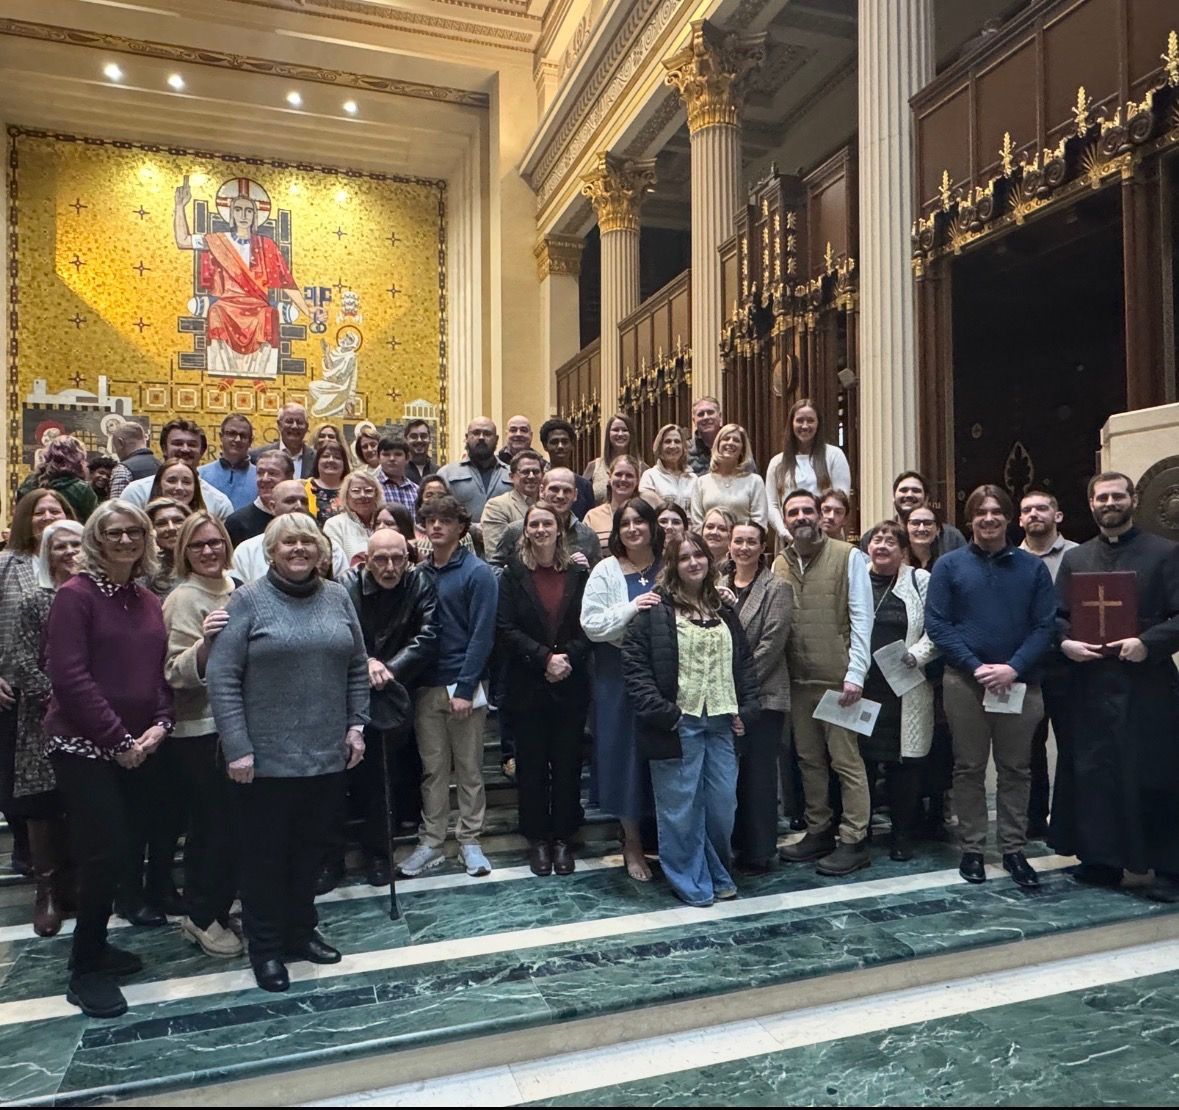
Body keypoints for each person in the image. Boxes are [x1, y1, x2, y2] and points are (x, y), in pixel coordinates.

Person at [208, 513, 368, 993]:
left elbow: (357, 665)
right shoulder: (247, 600)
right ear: (270, 552)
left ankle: (301, 931)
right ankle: (266, 947)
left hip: (326, 755)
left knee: (310, 853)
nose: (298, 549)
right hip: (264, 762)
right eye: (288, 542)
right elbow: (222, 677)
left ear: (320, 550)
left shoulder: (338, 596)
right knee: (264, 860)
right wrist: (237, 747)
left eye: (307, 541)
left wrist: (356, 725)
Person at [44, 500, 173, 1018]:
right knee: (102, 853)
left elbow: (158, 673)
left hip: (138, 746)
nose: (125, 541)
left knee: (124, 852)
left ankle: (97, 946)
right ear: (96, 540)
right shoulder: (75, 597)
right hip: (85, 746)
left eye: (134, 532)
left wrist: (161, 723)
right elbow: (69, 678)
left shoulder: (147, 599)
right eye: (113, 533)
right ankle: (84, 970)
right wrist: (118, 740)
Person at [1051, 473, 1179, 901]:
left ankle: (1169, 867)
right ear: (1091, 504)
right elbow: (1057, 616)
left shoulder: (1165, 553)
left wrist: (1148, 644)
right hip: (1091, 685)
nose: (1110, 503)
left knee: (1154, 773)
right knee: (1096, 773)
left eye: (1117, 496)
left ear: (1133, 500)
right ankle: (1101, 860)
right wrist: (1066, 643)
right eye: (1101, 497)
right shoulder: (1077, 559)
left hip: (1147, 685)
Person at [925, 484, 1055, 889]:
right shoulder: (948, 566)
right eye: (980, 512)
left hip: (1019, 684)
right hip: (966, 683)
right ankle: (973, 849)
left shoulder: (1032, 569)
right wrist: (976, 666)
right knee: (968, 768)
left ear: (1009, 518)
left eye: (996, 511)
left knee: (1016, 769)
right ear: (971, 519)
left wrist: (1013, 667)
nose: (988, 518)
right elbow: (937, 624)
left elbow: (1045, 626)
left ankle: (1014, 849)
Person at [623, 533, 760, 906]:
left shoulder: (723, 609)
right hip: (678, 724)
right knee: (680, 810)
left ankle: (717, 871)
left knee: (722, 807)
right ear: (673, 565)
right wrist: (663, 712)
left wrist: (747, 710)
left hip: (722, 722)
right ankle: (689, 879)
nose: (694, 563)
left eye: (698, 555)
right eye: (684, 558)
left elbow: (744, 665)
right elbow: (635, 667)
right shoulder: (655, 610)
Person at [774, 489, 873, 876]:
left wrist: (856, 673)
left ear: (820, 515)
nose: (801, 516)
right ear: (785, 520)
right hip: (799, 681)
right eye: (793, 512)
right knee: (809, 761)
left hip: (838, 681)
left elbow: (862, 617)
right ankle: (819, 830)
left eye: (807, 510)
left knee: (846, 762)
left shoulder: (848, 556)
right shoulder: (780, 563)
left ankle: (854, 839)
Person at [399, 495, 498, 879]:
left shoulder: (478, 572)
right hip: (427, 685)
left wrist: (466, 687)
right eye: (430, 520)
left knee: (470, 769)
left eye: (445, 520)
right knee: (433, 770)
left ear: (460, 527)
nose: (437, 526)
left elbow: (482, 634)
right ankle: (432, 842)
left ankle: (470, 841)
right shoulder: (419, 574)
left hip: (464, 683)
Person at [336, 528, 438, 888]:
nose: (390, 567)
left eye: (398, 559)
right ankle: (330, 859)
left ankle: (379, 855)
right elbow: (337, 634)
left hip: (395, 690)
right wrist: (365, 663)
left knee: (381, 779)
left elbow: (428, 635)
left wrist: (388, 669)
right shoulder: (345, 586)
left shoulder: (419, 583)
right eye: (381, 559)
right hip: (348, 689)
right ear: (366, 560)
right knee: (337, 781)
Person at [162, 512, 242, 958]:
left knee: (232, 826)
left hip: (241, 726)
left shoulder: (238, 587)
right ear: (184, 552)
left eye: (215, 542)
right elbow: (173, 672)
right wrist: (205, 645)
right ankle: (201, 915)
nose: (209, 551)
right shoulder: (183, 598)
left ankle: (220, 903)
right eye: (198, 545)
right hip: (200, 730)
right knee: (211, 827)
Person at [498, 503, 591, 876]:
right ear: (525, 530)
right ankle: (538, 840)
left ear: (559, 529)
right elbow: (505, 628)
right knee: (532, 768)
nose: (540, 529)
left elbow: (590, 625)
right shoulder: (512, 574)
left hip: (571, 682)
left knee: (568, 765)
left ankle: (564, 838)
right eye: (533, 523)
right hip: (528, 685)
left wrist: (565, 659)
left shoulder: (579, 573)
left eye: (547, 523)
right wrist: (544, 659)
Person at [581, 498, 664, 881]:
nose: (633, 529)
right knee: (626, 757)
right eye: (625, 523)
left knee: (665, 757)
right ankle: (631, 842)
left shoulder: (668, 565)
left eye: (640, 521)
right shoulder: (606, 570)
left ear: (652, 526)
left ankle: (665, 838)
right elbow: (591, 625)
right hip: (618, 675)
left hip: (665, 675)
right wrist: (632, 608)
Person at [11, 520, 83, 936]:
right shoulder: (33, 599)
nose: (70, 552)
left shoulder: (94, 595)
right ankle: (48, 890)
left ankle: (75, 882)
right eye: (61, 546)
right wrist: (59, 697)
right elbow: (20, 660)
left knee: (79, 798)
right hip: (43, 716)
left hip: (89, 716)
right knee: (44, 802)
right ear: (47, 553)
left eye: (77, 544)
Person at [175, 179, 322, 378]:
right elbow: (183, 241)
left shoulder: (266, 245)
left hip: (257, 304)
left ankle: (261, 376)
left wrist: (307, 310)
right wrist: (179, 207)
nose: (243, 216)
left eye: (249, 211)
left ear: (255, 216)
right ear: (231, 214)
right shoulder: (219, 240)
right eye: (238, 210)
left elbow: (285, 281)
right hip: (228, 302)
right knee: (216, 312)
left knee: (269, 315)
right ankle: (223, 373)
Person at [0, 489, 74, 880]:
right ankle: (26, 849)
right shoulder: (6, 564)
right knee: (18, 775)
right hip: (13, 686)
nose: (47, 517)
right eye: (39, 511)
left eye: (55, 510)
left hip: (70, 691)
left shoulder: (80, 562)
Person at [859, 520, 939, 861]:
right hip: (863, 687)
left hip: (906, 687)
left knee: (904, 765)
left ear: (903, 550)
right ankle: (858, 831)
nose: (882, 545)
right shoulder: (855, 578)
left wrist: (916, 655)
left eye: (890, 541)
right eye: (876, 540)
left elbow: (937, 629)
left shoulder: (920, 581)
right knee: (860, 762)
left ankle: (902, 834)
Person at [721, 521, 792, 871]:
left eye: (751, 542)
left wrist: (738, 687)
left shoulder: (777, 588)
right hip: (721, 696)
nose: (744, 548)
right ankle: (733, 842)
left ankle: (760, 850)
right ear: (730, 546)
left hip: (763, 696)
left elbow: (771, 644)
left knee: (758, 776)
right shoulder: (716, 583)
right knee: (729, 776)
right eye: (738, 541)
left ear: (762, 547)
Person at [1018, 489, 1077, 838]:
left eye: (1042, 508)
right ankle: (1034, 818)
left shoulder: (1079, 556)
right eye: (1027, 510)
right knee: (1028, 746)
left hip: (1069, 664)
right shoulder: (1010, 559)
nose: (1034, 514)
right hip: (1027, 665)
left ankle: (1069, 820)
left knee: (1071, 742)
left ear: (1058, 515)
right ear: (1019, 520)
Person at [766, 400, 852, 543]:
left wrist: (819, 530)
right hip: (789, 537)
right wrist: (784, 533)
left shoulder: (834, 455)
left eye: (810, 420)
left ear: (818, 424)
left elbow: (840, 499)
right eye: (800, 420)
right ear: (791, 424)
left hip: (826, 537)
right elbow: (771, 504)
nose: (805, 426)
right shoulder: (777, 462)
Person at [233, 480, 347, 581]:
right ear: (272, 507)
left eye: (304, 502)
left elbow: (343, 585)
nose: (298, 506)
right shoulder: (247, 550)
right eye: (290, 501)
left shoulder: (330, 547)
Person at [121, 420, 233, 518]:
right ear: (164, 449)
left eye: (192, 445)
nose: (185, 449)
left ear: (202, 451)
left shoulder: (219, 503)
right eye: (178, 443)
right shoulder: (136, 493)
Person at [492, 468, 602, 568]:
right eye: (554, 489)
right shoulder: (515, 531)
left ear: (575, 495)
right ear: (541, 491)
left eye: (567, 490)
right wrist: (511, 575)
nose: (560, 496)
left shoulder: (588, 536)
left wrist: (585, 572)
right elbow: (494, 568)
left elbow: (598, 575)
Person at [690, 424, 768, 530]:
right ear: (718, 445)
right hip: (710, 539)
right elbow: (697, 523)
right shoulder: (701, 482)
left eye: (736, 440)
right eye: (726, 439)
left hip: (743, 540)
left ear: (743, 449)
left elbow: (759, 522)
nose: (730, 442)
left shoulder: (755, 481)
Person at [438, 418, 512, 522]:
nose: (481, 438)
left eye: (487, 434)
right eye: (476, 433)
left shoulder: (511, 474)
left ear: (496, 439)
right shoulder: (446, 474)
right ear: (466, 438)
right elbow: (438, 513)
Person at [18, 436, 97, 523]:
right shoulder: (82, 489)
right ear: (78, 459)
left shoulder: (29, 483)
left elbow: (19, 516)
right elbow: (91, 525)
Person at [480, 450, 543, 558]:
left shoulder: (550, 504)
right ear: (511, 476)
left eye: (536, 472)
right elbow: (495, 555)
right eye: (525, 472)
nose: (531, 476)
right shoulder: (496, 507)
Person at [225, 449, 294, 547]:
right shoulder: (237, 523)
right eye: (260, 473)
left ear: (289, 477)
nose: (264, 479)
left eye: (272, 473)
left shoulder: (301, 516)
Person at [889, 471, 966, 555]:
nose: (909, 495)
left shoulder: (952, 538)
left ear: (926, 498)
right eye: (903, 490)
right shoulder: (881, 536)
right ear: (893, 497)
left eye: (916, 490)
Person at [584, 455, 643, 557]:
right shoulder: (592, 516)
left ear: (637, 481)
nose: (623, 479)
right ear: (609, 477)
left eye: (629, 475)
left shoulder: (646, 514)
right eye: (618, 474)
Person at [198, 415, 257, 512]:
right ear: (221, 437)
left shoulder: (260, 477)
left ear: (250, 441)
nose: (237, 439)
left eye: (243, 436)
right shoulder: (200, 474)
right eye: (232, 434)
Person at [538, 418, 594, 519]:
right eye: (554, 442)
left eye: (565, 441)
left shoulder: (584, 486)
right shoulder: (538, 482)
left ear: (572, 444)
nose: (560, 446)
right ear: (545, 446)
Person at [584, 414, 646, 504]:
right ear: (608, 434)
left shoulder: (643, 468)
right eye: (616, 430)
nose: (620, 434)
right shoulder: (594, 466)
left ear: (631, 434)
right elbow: (582, 498)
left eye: (625, 430)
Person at [324, 470, 382, 565]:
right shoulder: (334, 525)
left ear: (376, 494)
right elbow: (336, 564)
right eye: (356, 491)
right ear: (346, 496)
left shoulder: (385, 522)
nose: (363, 495)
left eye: (368, 490)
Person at [414, 475, 475, 562]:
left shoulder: (461, 535)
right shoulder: (412, 534)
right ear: (421, 500)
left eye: (440, 495)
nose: (435, 498)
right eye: (429, 495)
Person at [143, 497, 194, 599]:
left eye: (178, 521)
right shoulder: (144, 570)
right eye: (162, 523)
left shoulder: (204, 561)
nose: (171, 528)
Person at [639, 424, 696, 512]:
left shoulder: (693, 478)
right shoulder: (650, 476)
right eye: (667, 441)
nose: (673, 446)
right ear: (660, 447)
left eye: (677, 441)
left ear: (683, 447)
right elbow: (646, 511)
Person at [249, 403, 315, 479]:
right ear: (279, 425)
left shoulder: (316, 459)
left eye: (299, 422)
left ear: (306, 427)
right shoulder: (255, 456)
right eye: (289, 421)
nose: (294, 426)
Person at [305, 439, 351, 525]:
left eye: (337, 457)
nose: (331, 460)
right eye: (326, 456)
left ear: (344, 463)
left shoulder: (352, 488)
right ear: (317, 461)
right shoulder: (303, 487)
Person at [108, 422, 159, 498]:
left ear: (121, 443)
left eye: (116, 447)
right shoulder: (162, 465)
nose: (116, 452)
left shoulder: (123, 469)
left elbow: (117, 504)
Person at [376, 436, 420, 512]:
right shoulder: (373, 488)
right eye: (386, 454)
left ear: (407, 457)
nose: (392, 458)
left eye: (398, 454)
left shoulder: (416, 491)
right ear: (378, 458)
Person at [686, 396, 722, 476]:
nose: (706, 417)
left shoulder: (734, 446)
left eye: (710, 412)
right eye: (701, 414)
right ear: (694, 421)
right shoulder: (684, 451)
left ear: (720, 416)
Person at [905, 505, 941, 569]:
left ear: (938, 529)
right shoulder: (897, 561)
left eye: (928, 523)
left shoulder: (948, 561)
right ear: (906, 527)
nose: (921, 529)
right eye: (915, 523)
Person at [404, 418, 437, 486]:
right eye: (414, 436)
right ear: (406, 440)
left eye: (423, 436)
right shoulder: (399, 471)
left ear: (430, 439)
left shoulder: (438, 472)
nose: (419, 440)